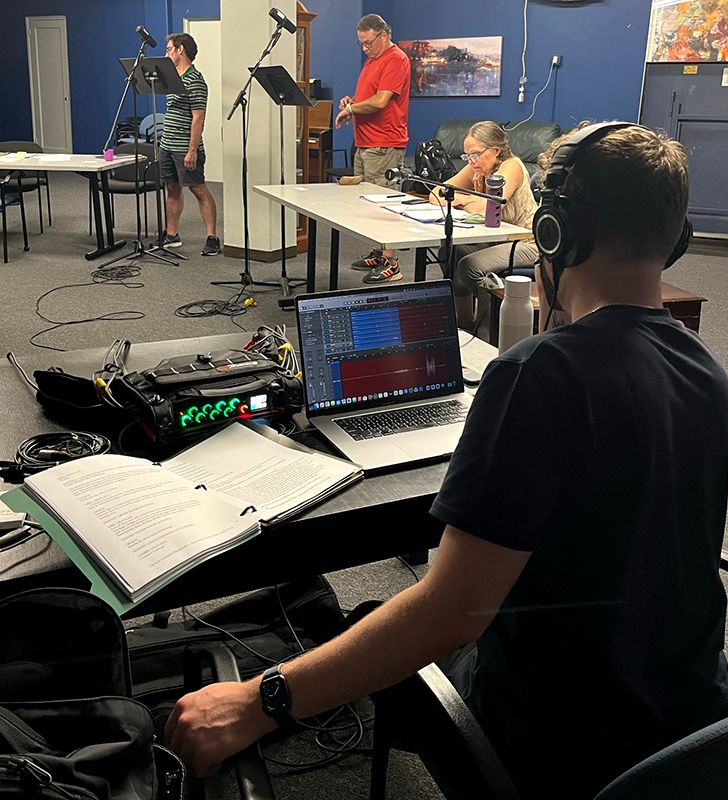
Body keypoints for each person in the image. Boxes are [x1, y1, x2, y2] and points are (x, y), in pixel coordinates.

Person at [164, 124, 728, 799]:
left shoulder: (541, 372)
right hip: (683, 731)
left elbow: (452, 613)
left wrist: (261, 700)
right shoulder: (708, 371)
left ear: (552, 232)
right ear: (675, 236)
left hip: (553, 744)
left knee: (381, 619)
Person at [433, 121, 540, 328]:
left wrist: (462, 201)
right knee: (450, 251)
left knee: (470, 266)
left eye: (475, 154)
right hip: (498, 240)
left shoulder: (512, 166)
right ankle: (464, 322)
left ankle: (486, 329)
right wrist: (468, 201)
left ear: (495, 150)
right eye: (467, 156)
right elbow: (437, 193)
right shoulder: (477, 166)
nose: (471, 161)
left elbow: (487, 207)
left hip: (527, 242)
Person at [334, 14, 410, 284]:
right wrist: (352, 101)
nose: (364, 48)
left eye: (368, 43)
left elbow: (380, 102)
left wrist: (351, 109)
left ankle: (391, 263)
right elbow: (369, 98)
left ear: (384, 35)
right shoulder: (372, 60)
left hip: (384, 143)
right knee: (367, 202)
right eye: (361, 44)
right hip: (365, 142)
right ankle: (378, 253)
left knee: (385, 205)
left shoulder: (396, 59)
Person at [159, 33, 220, 256]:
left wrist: (192, 150)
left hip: (186, 149)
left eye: (169, 49)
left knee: (198, 189)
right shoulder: (173, 78)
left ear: (180, 50)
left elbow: (198, 117)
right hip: (167, 145)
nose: (166, 53)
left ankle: (212, 237)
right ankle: (172, 234)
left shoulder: (195, 80)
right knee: (172, 189)